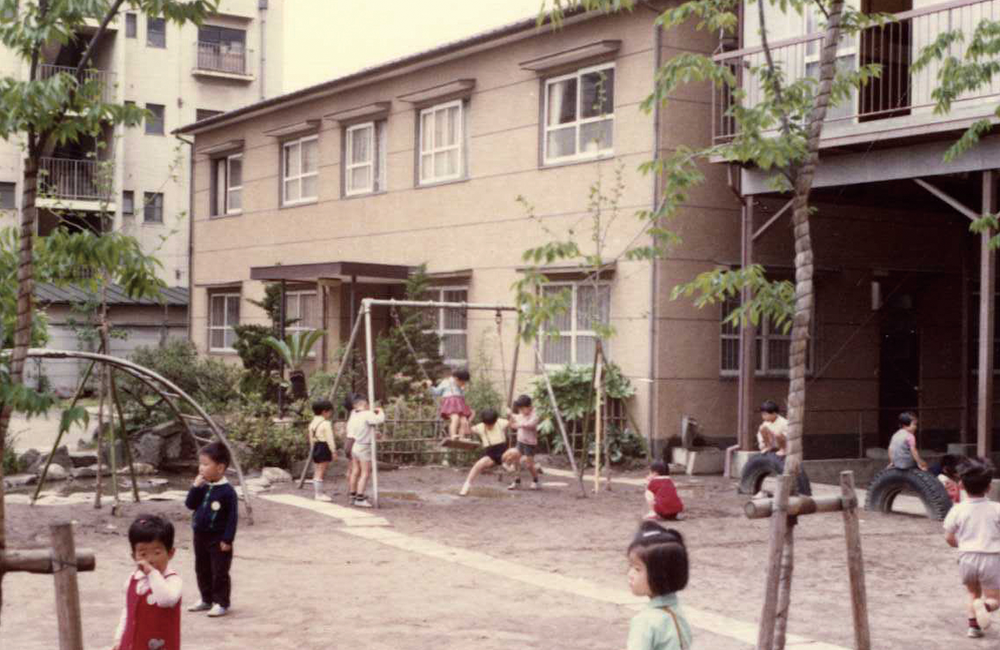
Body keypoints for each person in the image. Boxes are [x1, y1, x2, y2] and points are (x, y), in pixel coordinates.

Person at [943, 458, 1000, 638]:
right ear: (989, 487)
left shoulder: (957, 510)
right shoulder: (996, 508)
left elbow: (949, 537)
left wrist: (962, 545)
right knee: (995, 599)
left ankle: (973, 627)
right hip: (991, 557)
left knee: (972, 593)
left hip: (967, 556)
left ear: (961, 485)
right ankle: (985, 607)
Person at [111, 515, 182, 650]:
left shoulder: (173, 580)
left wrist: (152, 573)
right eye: (143, 554)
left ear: (170, 553)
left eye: (157, 552)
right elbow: (128, 612)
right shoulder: (133, 580)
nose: (150, 559)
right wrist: (119, 639)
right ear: (134, 556)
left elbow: (165, 600)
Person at [184, 441, 238, 618]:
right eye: (200, 463)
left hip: (218, 538)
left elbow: (232, 517)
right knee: (202, 568)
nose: (201, 468)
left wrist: (227, 539)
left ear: (220, 468)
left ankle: (221, 602)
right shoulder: (203, 485)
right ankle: (206, 599)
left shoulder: (228, 491)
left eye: (206, 464)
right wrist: (195, 487)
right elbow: (190, 504)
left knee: (219, 571)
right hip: (200, 535)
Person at [626, 521, 693, 650]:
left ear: (659, 575)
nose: (630, 574)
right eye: (630, 566)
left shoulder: (645, 622)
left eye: (637, 569)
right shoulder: (677, 611)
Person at [458, 407, 511, 496]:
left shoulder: (500, 422)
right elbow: (467, 432)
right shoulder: (480, 427)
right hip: (491, 454)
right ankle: (466, 486)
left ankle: (509, 466)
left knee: (513, 453)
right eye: (487, 424)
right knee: (478, 464)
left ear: (495, 420)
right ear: (484, 422)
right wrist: (469, 419)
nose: (489, 426)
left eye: (491, 424)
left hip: (503, 452)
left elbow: (512, 424)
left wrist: (510, 414)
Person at [346, 393, 385, 508]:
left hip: (355, 445)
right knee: (365, 473)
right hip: (364, 447)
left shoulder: (353, 414)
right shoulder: (367, 414)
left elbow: (364, 427)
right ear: (363, 403)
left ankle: (352, 495)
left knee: (355, 471)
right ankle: (360, 497)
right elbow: (380, 420)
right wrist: (380, 411)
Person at [429, 368, 474, 440]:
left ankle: (461, 437)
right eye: (462, 382)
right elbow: (436, 392)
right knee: (455, 418)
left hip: (459, 405)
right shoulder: (446, 382)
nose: (463, 384)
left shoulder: (459, 386)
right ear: (456, 379)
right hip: (450, 405)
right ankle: (453, 435)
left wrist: (462, 391)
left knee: (464, 421)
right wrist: (429, 386)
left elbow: (461, 396)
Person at [507, 394, 541, 491]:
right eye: (520, 409)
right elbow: (516, 417)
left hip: (530, 444)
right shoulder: (521, 414)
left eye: (522, 409)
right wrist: (510, 414)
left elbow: (528, 425)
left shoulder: (535, 415)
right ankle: (517, 481)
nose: (521, 411)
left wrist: (517, 425)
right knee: (515, 460)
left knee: (529, 464)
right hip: (520, 441)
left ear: (529, 407)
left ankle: (535, 480)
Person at [308, 398, 338, 502]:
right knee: (321, 471)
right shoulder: (326, 423)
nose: (330, 414)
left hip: (316, 446)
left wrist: (313, 449)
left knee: (317, 470)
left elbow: (311, 438)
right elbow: (330, 439)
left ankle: (318, 493)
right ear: (324, 411)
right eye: (330, 412)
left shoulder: (312, 423)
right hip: (324, 446)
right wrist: (333, 451)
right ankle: (319, 494)